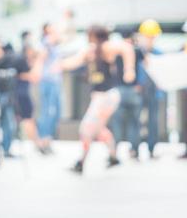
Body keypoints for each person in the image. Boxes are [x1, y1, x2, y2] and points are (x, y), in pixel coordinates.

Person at [61, 25, 135, 174]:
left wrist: (129, 69)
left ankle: (81, 162)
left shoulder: (106, 47)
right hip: (101, 97)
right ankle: (113, 157)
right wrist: (57, 65)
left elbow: (127, 48)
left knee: (86, 128)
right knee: (99, 129)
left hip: (106, 96)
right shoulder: (90, 50)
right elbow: (74, 61)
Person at [136, 18, 165, 158]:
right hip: (139, 90)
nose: (150, 39)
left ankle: (151, 148)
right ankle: (134, 148)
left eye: (153, 37)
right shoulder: (136, 53)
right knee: (136, 119)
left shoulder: (159, 53)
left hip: (154, 90)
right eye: (148, 36)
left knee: (153, 120)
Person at [111, 33, 142, 159]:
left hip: (119, 90)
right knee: (134, 122)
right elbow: (145, 67)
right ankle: (134, 150)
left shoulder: (116, 52)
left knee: (117, 122)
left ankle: (114, 150)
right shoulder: (137, 51)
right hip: (134, 90)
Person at [37, 22, 64, 155]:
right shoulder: (47, 42)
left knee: (54, 112)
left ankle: (46, 141)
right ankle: (44, 141)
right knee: (49, 112)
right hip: (48, 81)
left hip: (54, 81)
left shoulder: (53, 43)